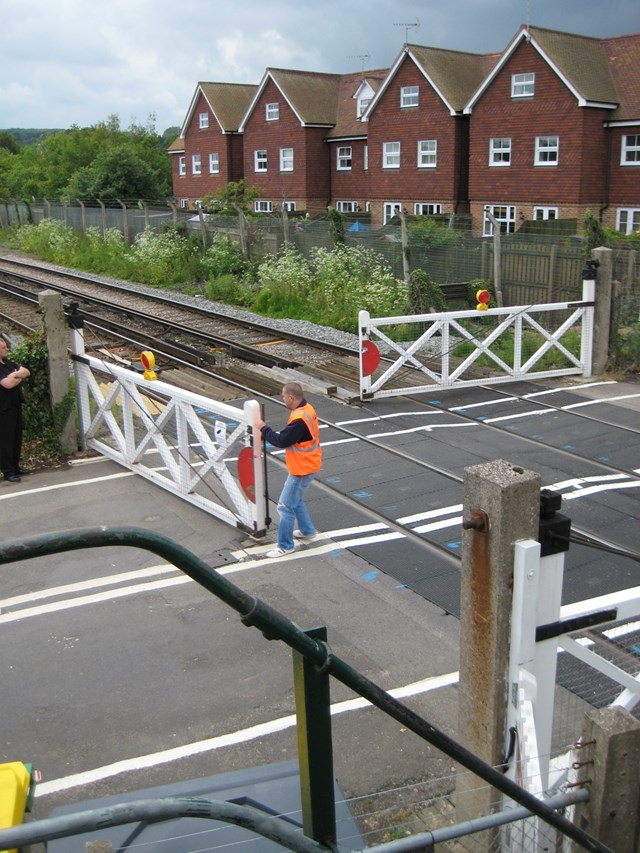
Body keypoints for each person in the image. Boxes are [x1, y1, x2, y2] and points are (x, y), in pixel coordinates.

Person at [256, 382, 322, 557]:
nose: (282, 398)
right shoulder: (307, 409)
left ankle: (285, 545)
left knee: (285, 507)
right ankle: (308, 531)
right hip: (307, 463)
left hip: (303, 467)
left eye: (283, 396)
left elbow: (281, 441)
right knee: (295, 500)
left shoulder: (299, 419)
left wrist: (263, 428)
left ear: (292, 398)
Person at [0, 337, 31, 483]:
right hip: (3, 409)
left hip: (15, 405)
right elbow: (7, 384)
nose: (6, 349)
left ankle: (15, 466)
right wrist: (18, 376)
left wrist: (15, 375)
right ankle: (8, 471)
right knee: (6, 440)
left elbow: (26, 371)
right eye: (3, 347)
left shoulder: (8, 363)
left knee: (17, 438)